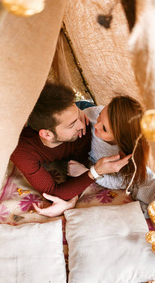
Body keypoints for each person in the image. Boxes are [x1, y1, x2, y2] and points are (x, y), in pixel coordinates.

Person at [67, 96, 155, 238]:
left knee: (148, 184)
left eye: (104, 129)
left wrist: (89, 173)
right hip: (85, 107)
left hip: (102, 156)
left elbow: (121, 182)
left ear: (120, 139)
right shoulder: (93, 115)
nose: (96, 126)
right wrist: (81, 117)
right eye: (100, 117)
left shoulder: (123, 155)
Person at [10, 82, 131, 216]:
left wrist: (71, 200)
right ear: (47, 135)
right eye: (72, 124)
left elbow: (77, 173)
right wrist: (95, 172)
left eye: (77, 116)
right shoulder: (21, 151)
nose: (82, 124)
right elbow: (53, 192)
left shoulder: (82, 128)